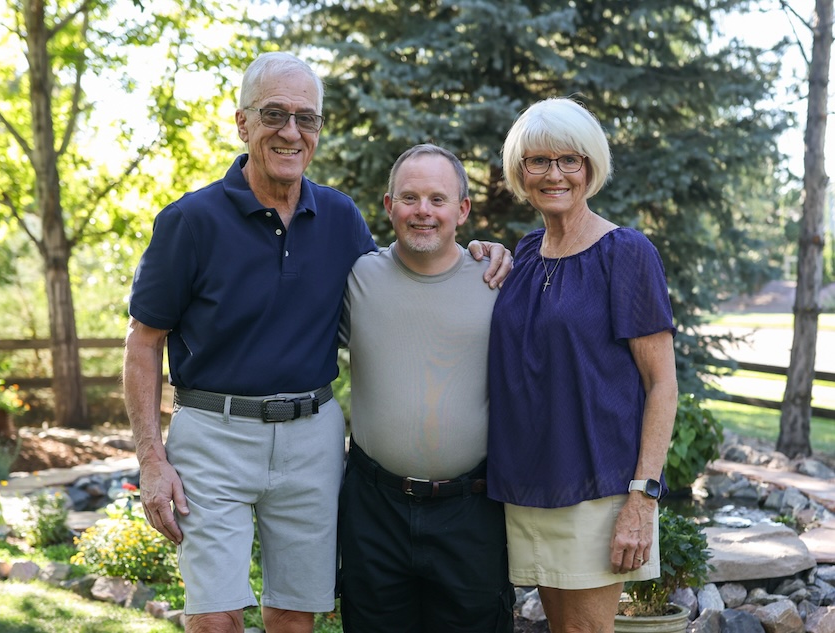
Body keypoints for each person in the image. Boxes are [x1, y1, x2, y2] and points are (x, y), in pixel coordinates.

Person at [122, 52, 511, 633]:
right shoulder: (190, 220)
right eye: (274, 114)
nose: (290, 131)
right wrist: (151, 460)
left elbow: (403, 276)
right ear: (242, 123)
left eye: (306, 118)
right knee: (215, 619)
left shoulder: (338, 217)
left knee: (293, 615)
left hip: (312, 436)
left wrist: (480, 251)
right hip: (213, 434)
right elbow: (143, 340)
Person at [487, 97, 679, 632]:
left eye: (569, 160)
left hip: (598, 487)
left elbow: (662, 383)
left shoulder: (626, 253)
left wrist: (643, 498)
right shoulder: (523, 254)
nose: (555, 174)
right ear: (520, 171)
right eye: (539, 161)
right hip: (530, 487)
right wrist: (480, 251)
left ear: (590, 167)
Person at [338, 143, 515, 633]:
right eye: (409, 198)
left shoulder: (497, 281)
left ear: (462, 210)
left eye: (438, 199)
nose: (423, 211)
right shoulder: (357, 278)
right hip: (374, 511)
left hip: (471, 511)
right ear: (388, 205)